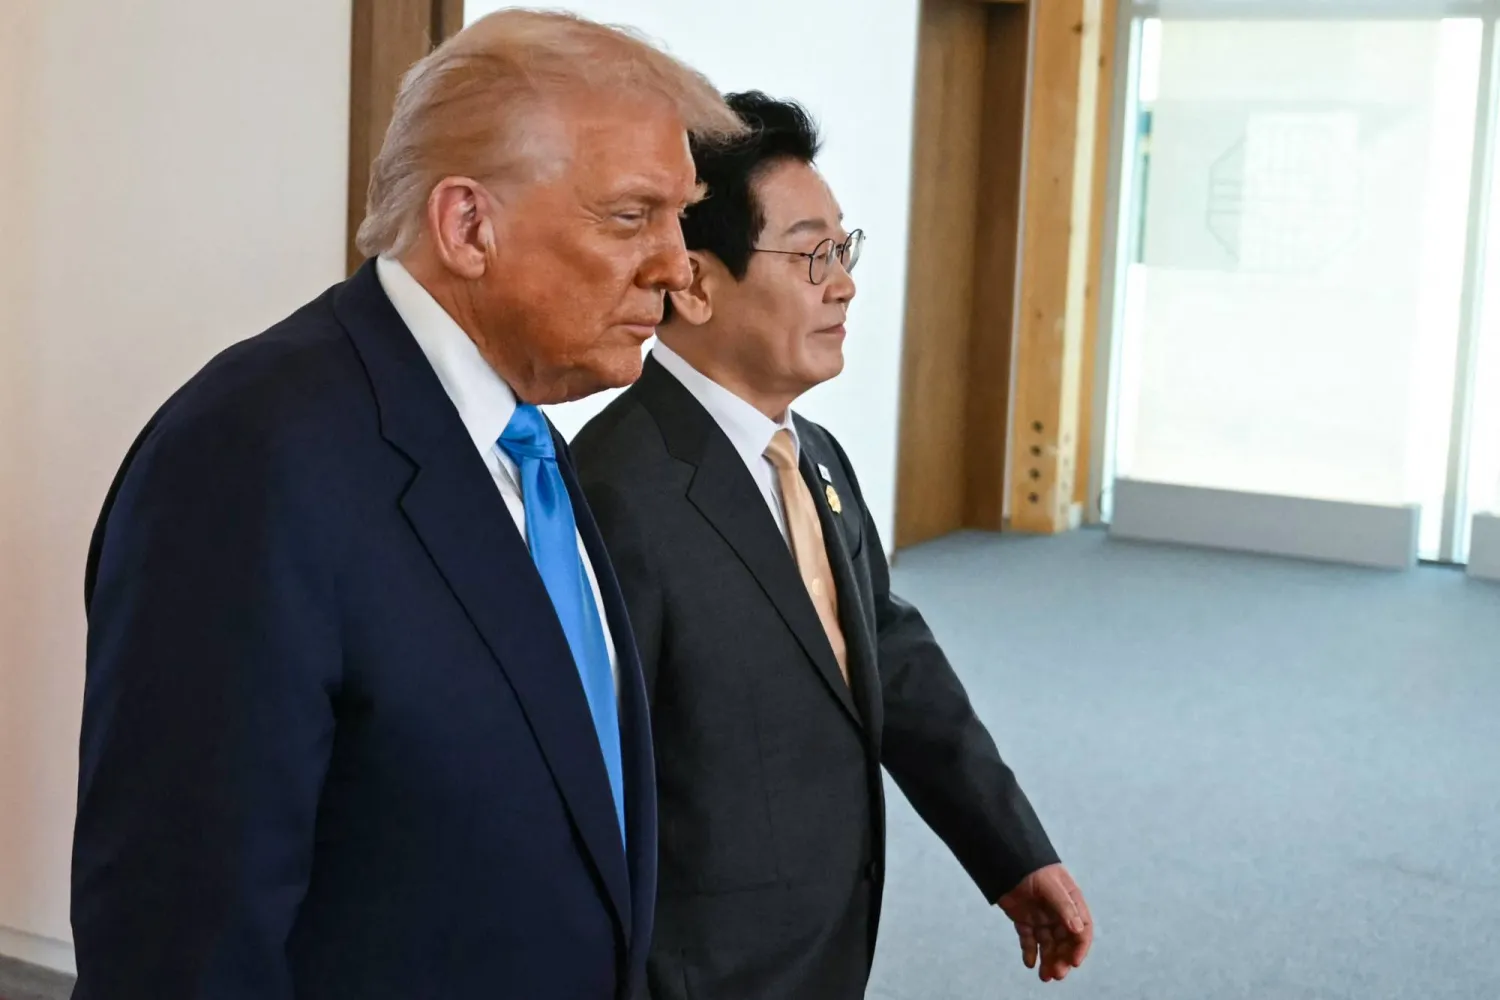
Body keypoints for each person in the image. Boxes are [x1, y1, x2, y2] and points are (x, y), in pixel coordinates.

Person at [71, 12, 741, 999]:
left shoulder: (524, 435)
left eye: (681, 217)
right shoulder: (249, 459)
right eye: (633, 215)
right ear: (468, 226)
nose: (679, 266)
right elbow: (181, 945)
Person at [572, 92, 1093, 999]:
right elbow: (587, 792)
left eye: (842, 250)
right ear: (692, 283)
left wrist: (1008, 850)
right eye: (812, 253)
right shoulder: (616, 493)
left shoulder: (809, 451)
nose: (843, 282)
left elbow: (882, 651)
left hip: (824, 945)